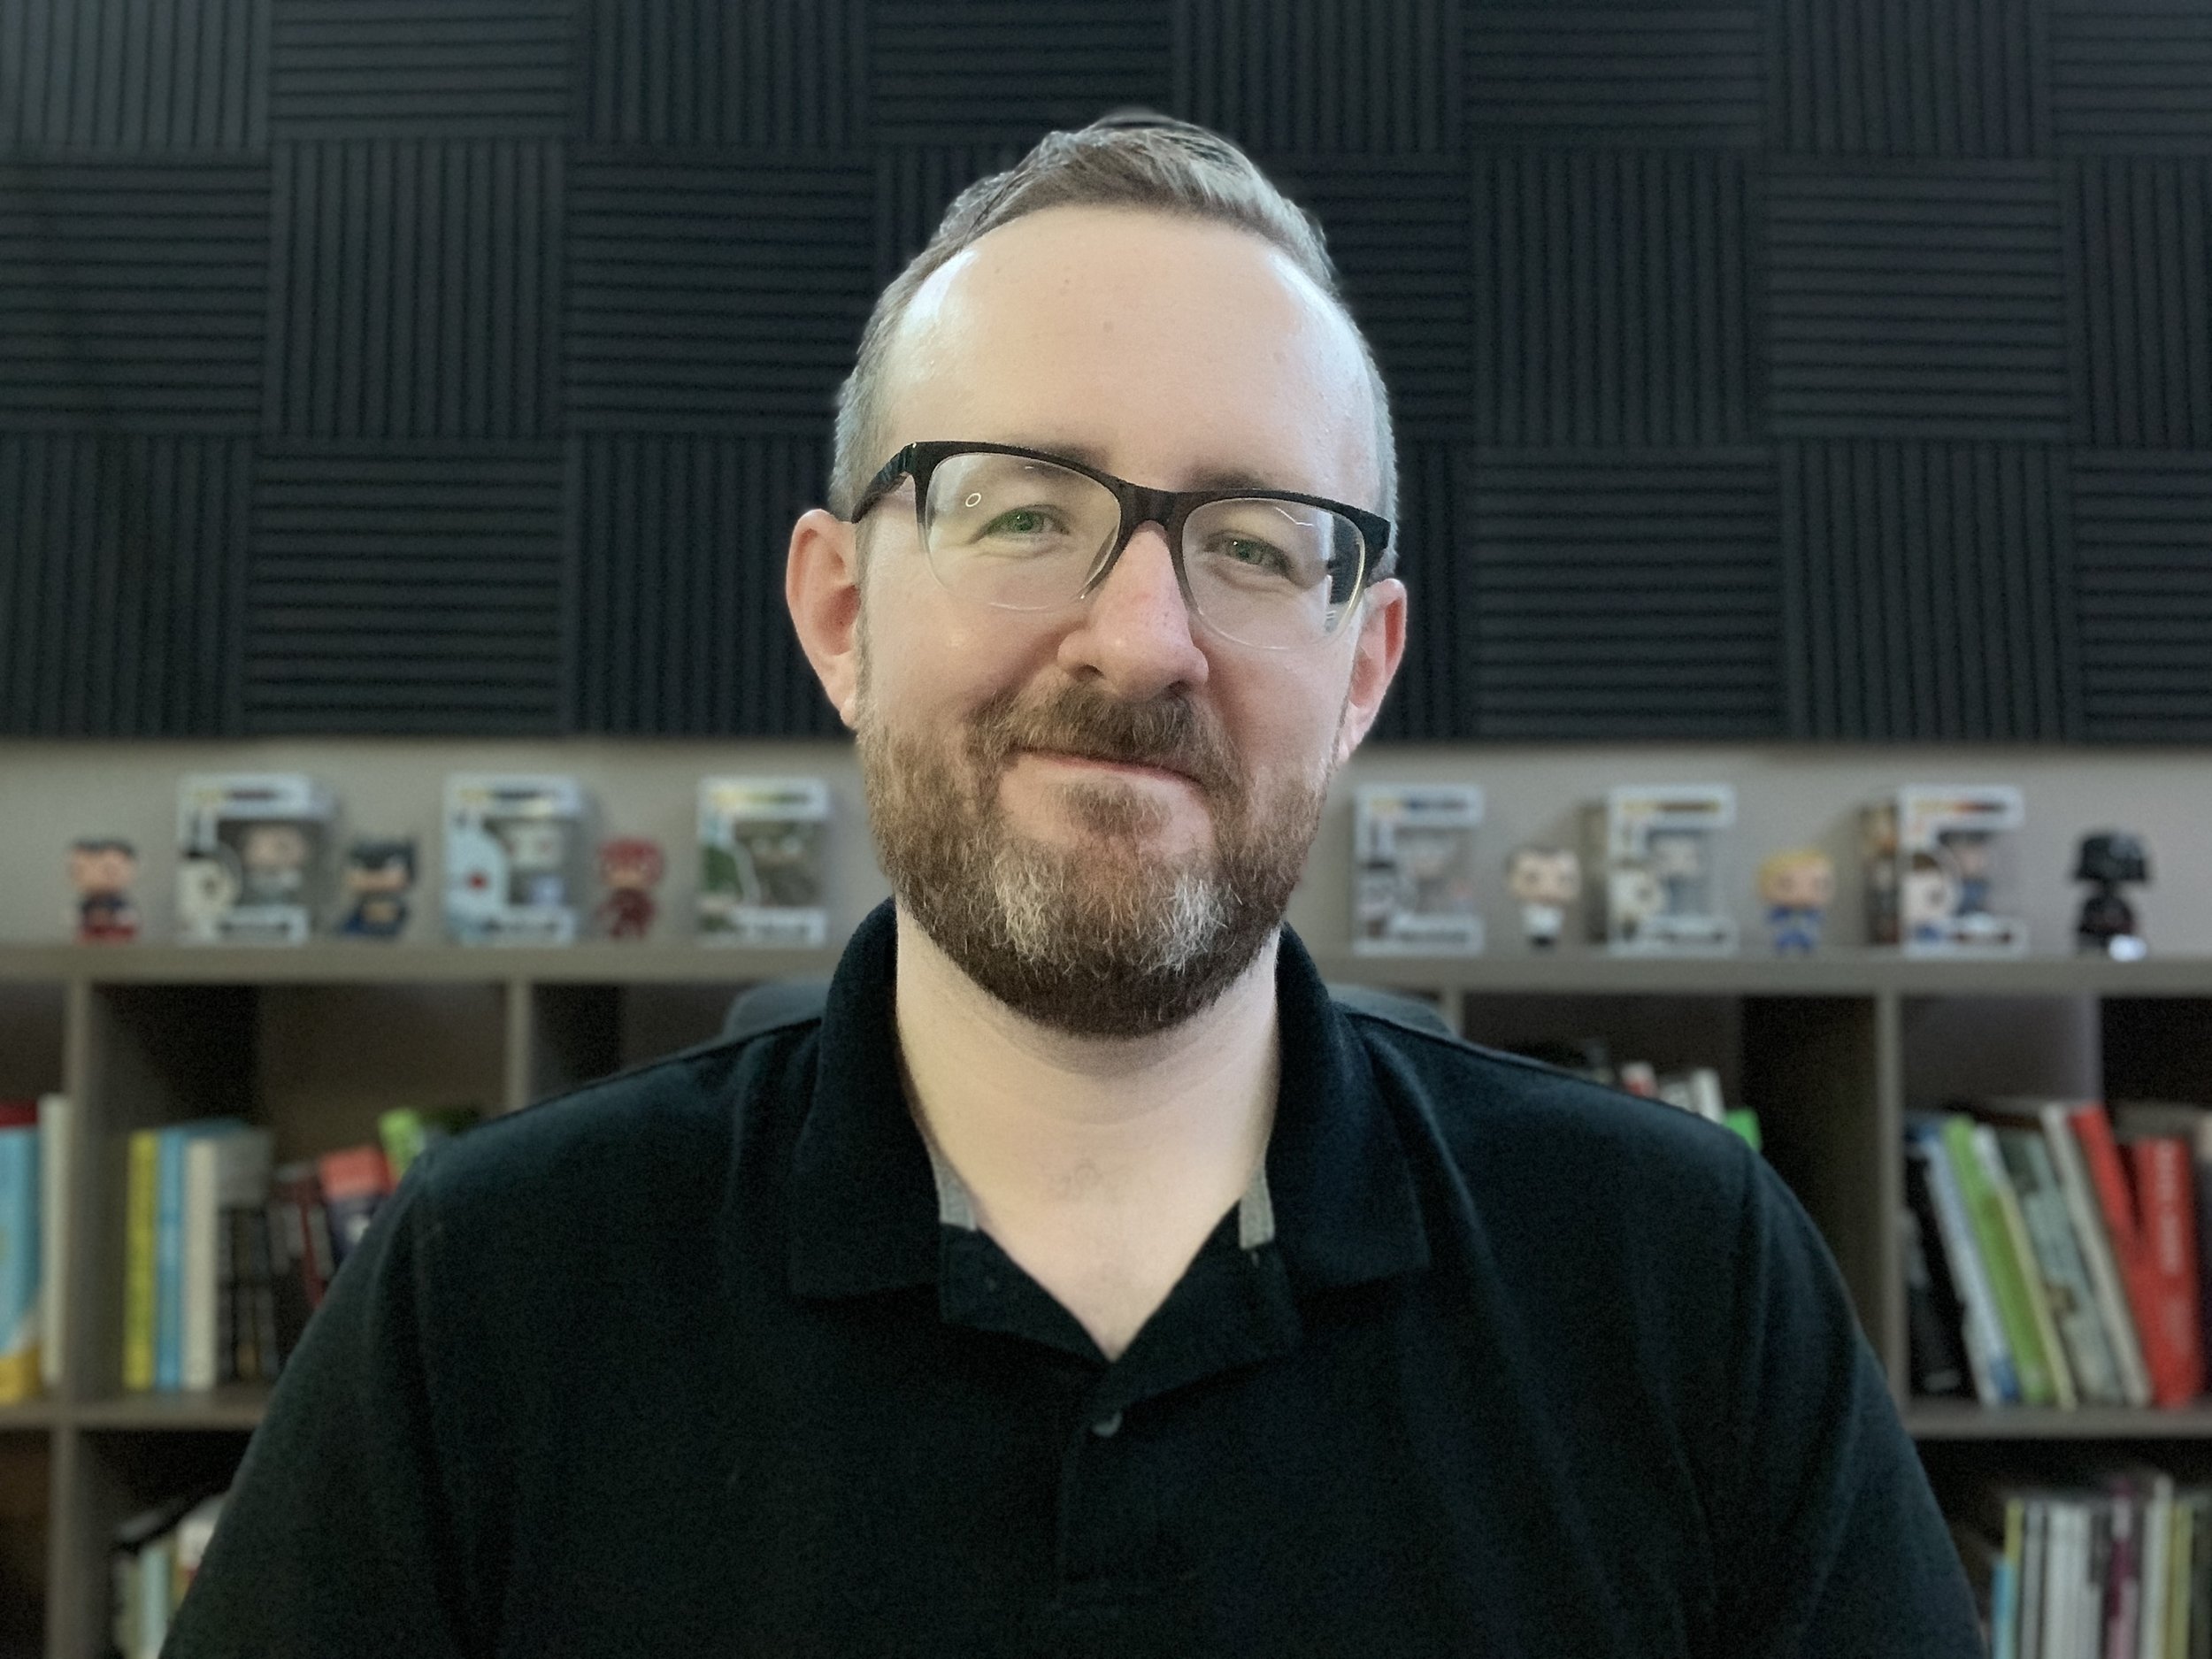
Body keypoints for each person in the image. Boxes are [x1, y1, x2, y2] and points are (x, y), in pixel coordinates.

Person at [168, 115, 1979, 1656]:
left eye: (1256, 542)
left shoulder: (1681, 1281)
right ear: (840, 610)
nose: (1140, 639)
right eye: (1023, 508)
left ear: (1359, 672)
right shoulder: (490, 1293)